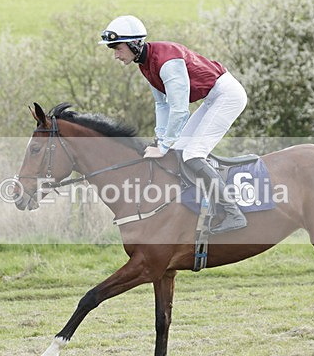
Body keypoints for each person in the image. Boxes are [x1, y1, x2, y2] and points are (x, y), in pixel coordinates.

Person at [99, 15, 248, 234]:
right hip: (212, 97)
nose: (115, 55)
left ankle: (233, 212)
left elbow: (180, 110)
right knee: (178, 151)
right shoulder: (145, 64)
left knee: (193, 154)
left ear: (133, 44)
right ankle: (196, 206)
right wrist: (161, 140)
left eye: (118, 48)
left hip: (227, 95)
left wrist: (163, 145)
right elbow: (162, 105)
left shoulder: (167, 63)